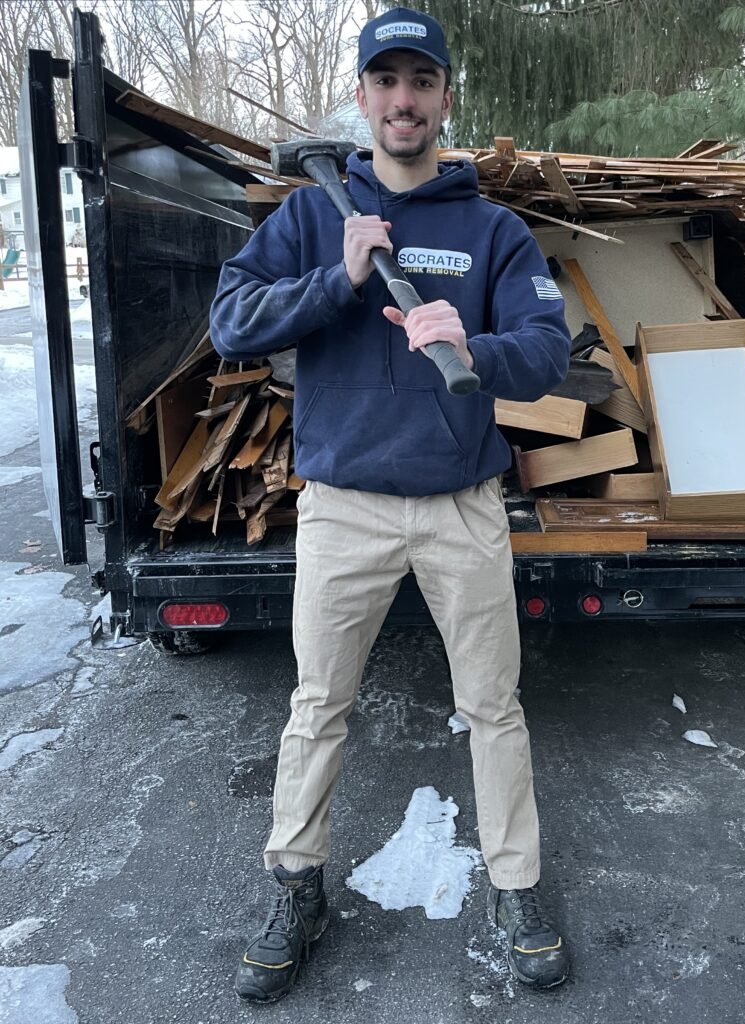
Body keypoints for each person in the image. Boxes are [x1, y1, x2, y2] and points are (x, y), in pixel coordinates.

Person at [210, 6, 572, 1003]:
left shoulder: (491, 228)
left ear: (444, 96)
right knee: (317, 703)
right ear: (363, 95)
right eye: (386, 81)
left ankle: (517, 885)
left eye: (421, 82)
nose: (403, 100)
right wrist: (339, 275)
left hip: (459, 504)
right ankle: (295, 886)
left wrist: (477, 343)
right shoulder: (309, 215)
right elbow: (230, 321)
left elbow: (549, 351)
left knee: (490, 705)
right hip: (343, 508)